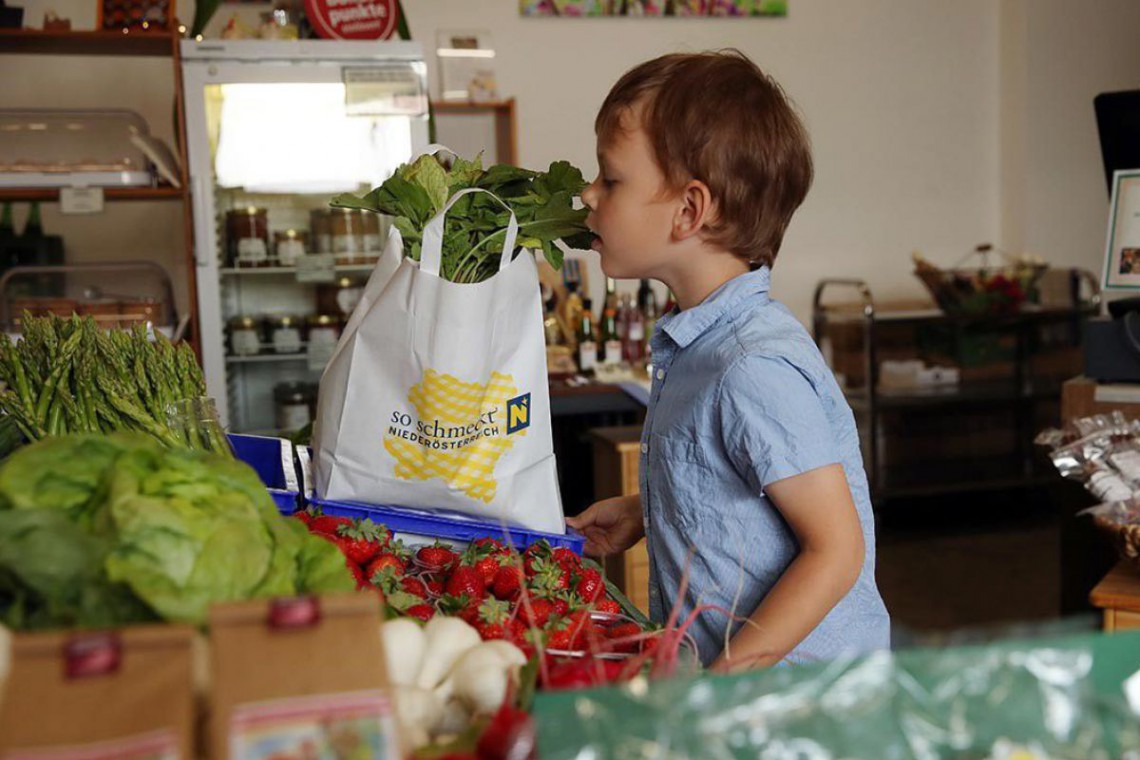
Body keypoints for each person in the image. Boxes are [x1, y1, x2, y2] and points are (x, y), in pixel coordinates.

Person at [567, 51, 890, 670]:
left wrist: (724, 684)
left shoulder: (750, 367)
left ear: (690, 211)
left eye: (610, 180)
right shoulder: (700, 346)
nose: (588, 192)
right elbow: (740, 487)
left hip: (794, 706)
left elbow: (836, 550)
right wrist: (647, 509)